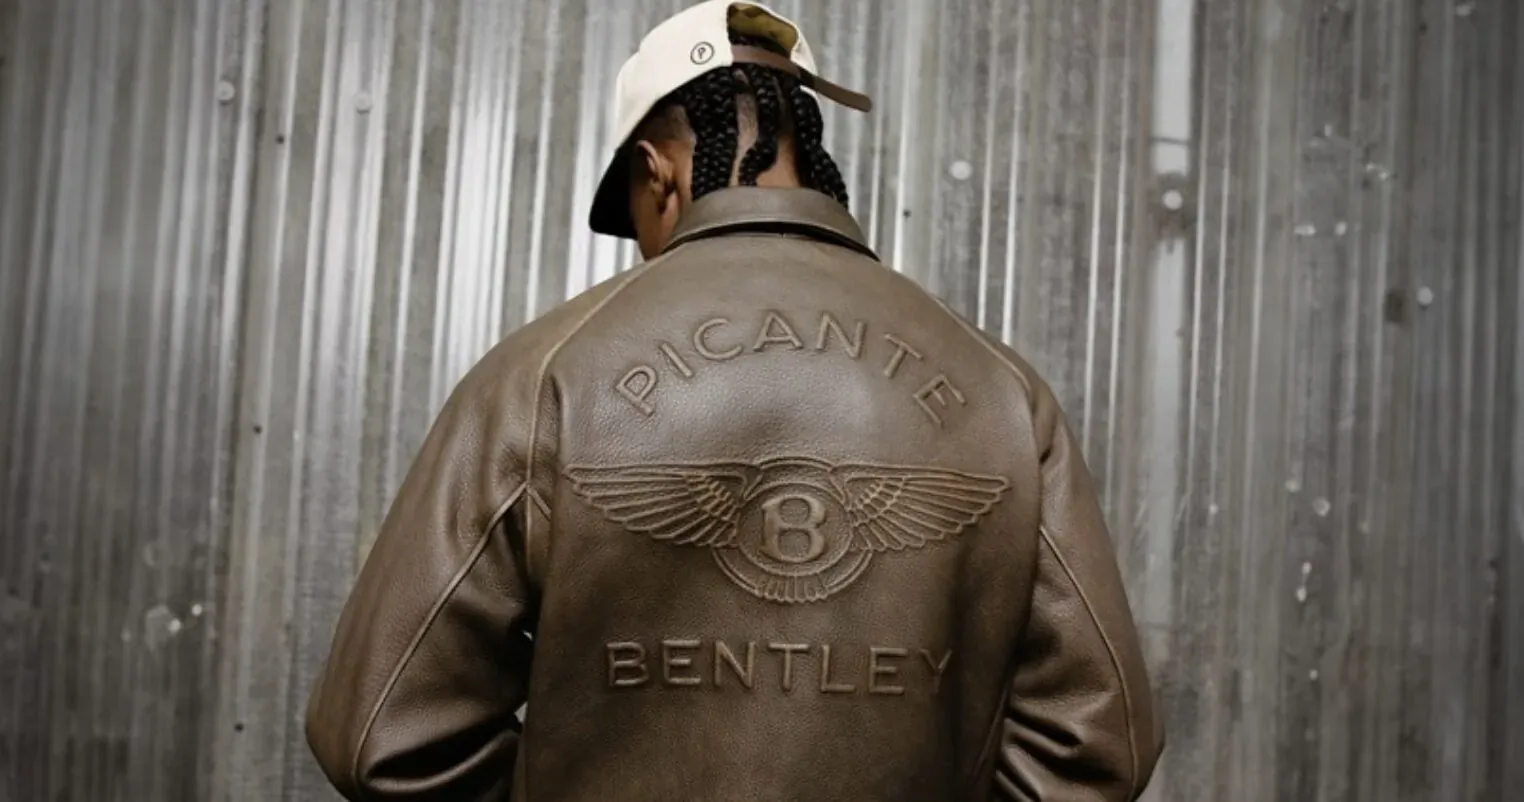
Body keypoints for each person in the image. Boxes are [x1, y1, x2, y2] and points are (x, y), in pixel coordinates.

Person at [304, 2, 1165, 800]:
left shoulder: (540, 376)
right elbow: (1099, 741)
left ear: (658, 174)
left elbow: (383, 733)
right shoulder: (1000, 389)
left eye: (634, 214)